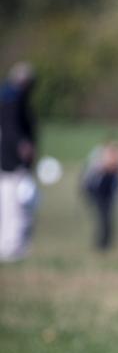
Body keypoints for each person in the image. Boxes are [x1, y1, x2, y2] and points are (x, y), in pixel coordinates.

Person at [0, 62, 37, 262]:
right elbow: (10, 129)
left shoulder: (16, 99)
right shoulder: (11, 100)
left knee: (18, 205)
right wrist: (22, 145)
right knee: (12, 205)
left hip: (15, 165)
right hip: (10, 164)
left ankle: (15, 246)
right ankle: (9, 247)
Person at [80, 138, 118, 250]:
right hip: (96, 191)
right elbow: (90, 175)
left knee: (108, 218)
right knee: (103, 218)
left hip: (108, 192)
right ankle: (101, 245)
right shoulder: (98, 156)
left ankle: (106, 244)